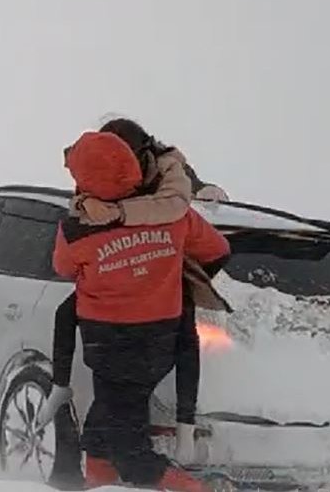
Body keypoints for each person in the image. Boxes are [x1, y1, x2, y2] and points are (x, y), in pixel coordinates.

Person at [37, 118, 232, 471]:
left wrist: (166, 274)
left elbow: (173, 210)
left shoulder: (170, 178)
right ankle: (62, 387)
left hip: (141, 318)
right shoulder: (110, 184)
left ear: (138, 156)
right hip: (130, 321)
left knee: (122, 443)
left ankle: (183, 431)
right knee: (102, 430)